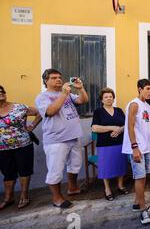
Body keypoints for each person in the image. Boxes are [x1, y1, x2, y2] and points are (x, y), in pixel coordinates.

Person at [35, 69, 88, 209]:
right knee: (55, 170)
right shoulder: (42, 97)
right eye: (54, 78)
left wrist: (81, 89)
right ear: (46, 81)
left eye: (59, 77)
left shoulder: (67, 94)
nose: (58, 79)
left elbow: (83, 100)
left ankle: (72, 188)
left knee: (75, 165)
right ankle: (57, 198)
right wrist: (64, 94)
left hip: (74, 136)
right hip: (56, 140)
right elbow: (51, 111)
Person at [122, 79, 150, 225]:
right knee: (139, 177)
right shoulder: (134, 104)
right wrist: (134, 147)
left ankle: (137, 203)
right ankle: (143, 210)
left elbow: (149, 120)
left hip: (147, 146)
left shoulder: (146, 105)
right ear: (139, 89)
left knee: (144, 176)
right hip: (136, 147)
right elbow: (130, 127)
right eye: (147, 88)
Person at [0, 85, 42, 210]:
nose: (1, 93)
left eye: (2, 91)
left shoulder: (19, 107)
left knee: (24, 170)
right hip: (2, 149)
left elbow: (39, 113)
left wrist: (32, 126)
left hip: (23, 145)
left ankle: (24, 195)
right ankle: (9, 197)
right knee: (7, 173)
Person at [91, 88, 128, 201]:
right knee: (105, 167)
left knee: (120, 165)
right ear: (102, 100)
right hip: (105, 145)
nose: (109, 98)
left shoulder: (119, 110)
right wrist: (111, 128)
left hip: (120, 143)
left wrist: (120, 129)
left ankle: (120, 186)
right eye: (106, 97)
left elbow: (127, 124)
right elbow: (95, 127)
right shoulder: (98, 112)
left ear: (113, 98)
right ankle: (107, 189)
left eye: (110, 96)